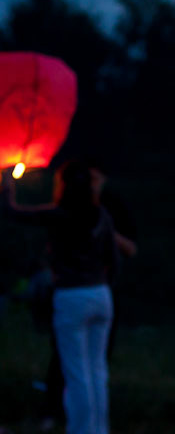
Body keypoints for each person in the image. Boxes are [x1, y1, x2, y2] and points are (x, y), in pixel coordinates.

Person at [2, 160, 118, 434]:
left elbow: (11, 212)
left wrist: (7, 182)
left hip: (72, 298)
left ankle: (81, 429)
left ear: (62, 186)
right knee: (97, 370)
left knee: (76, 372)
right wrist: (103, 287)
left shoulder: (58, 215)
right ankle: (98, 429)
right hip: (101, 296)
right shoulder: (101, 215)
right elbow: (114, 260)